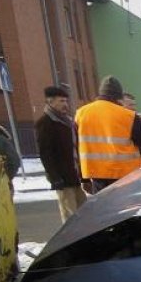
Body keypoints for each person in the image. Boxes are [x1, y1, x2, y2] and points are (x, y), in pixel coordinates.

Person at [74, 75, 141, 194]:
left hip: (96, 175)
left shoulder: (81, 114)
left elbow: (77, 147)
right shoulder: (126, 115)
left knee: (104, 210)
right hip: (125, 174)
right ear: (119, 96)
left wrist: (83, 178)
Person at [34, 85, 84, 222]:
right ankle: (72, 241)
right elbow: (45, 153)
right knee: (70, 216)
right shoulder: (45, 123)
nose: (65, 104)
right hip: (63, 177)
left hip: (74, 174)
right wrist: (55, 177)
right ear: (50, 102)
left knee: (83, 211)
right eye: (61, 101)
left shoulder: (67, 122)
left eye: (66, 101)